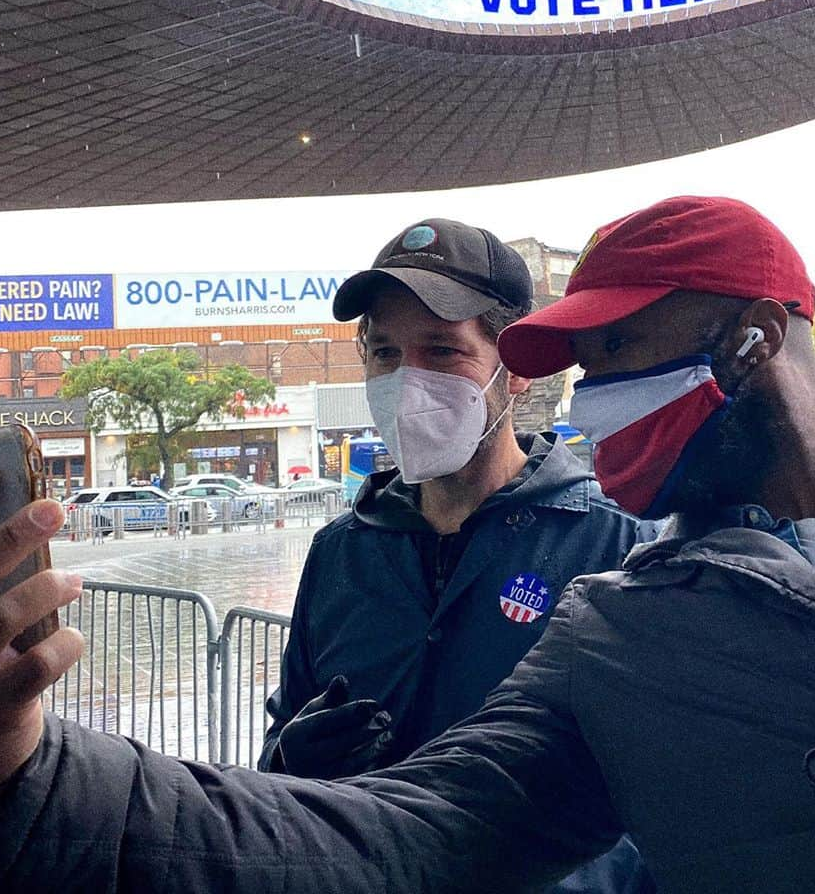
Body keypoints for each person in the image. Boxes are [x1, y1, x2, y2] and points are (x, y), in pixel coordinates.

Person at [0, 195, 815, 894]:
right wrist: (23, 777)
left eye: (618, 355)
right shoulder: (626, 625)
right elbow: (409, 841)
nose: (597, 401)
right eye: (384, 353)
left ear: (751, 341)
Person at [256, 218, 653, 892]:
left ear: (517, 370)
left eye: (441, 351)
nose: (406, 382)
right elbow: (276, 753)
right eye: (384, 354)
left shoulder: (614, 543)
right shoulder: (339, 555)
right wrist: (289, 762)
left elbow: (663, 784)